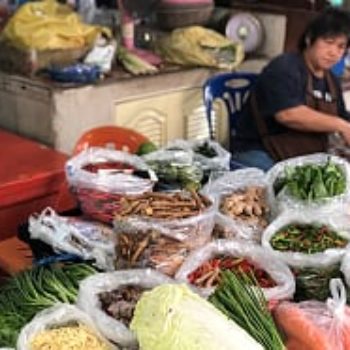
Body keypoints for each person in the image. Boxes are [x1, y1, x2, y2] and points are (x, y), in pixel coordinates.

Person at [233, 7, 350, 171]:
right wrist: (340, 125)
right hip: (259, 150)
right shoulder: (285, 67)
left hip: (300, 156)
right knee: (287, 192)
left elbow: (343, 117)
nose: (333, 53)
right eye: (328, 42)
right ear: (310, 39)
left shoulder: (331, 80)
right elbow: (288, 114)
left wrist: (345, 125)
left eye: (341, 46)